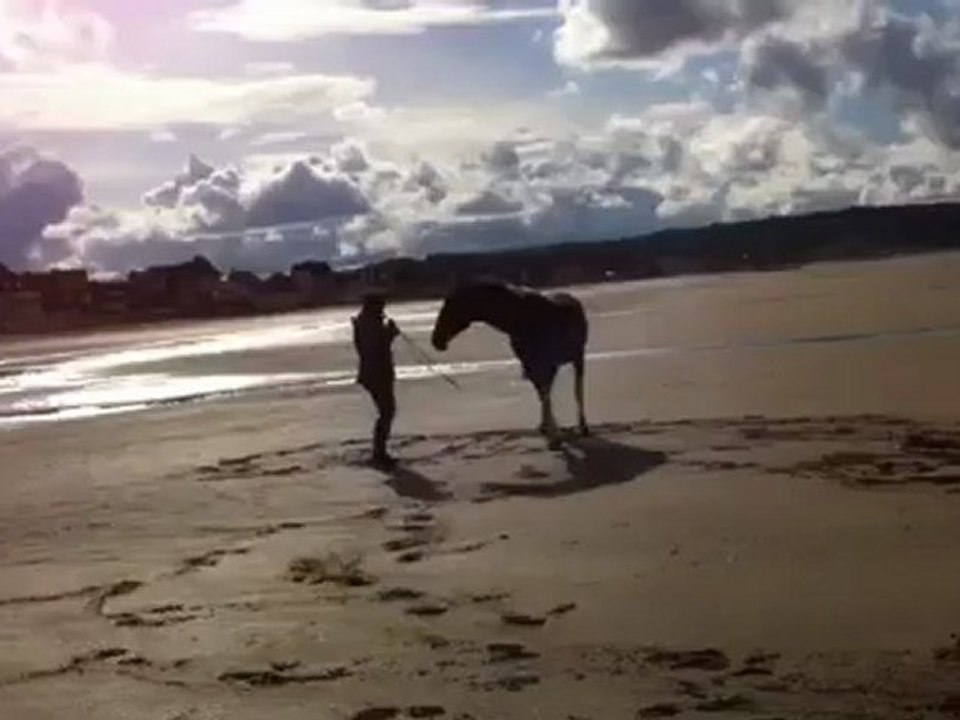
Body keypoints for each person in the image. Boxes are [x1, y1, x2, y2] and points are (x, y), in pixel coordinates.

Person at [352, 292, 400, 468]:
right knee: (387, 411)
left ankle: (379, 451)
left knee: (387, 411)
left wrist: (388, 333)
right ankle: (379, 453)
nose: (383, 310)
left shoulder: (366, 322)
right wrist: (390, 334)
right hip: (376, 374)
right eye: (381, 306)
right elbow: (375, 348)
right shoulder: (368, 324)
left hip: (375, 373)